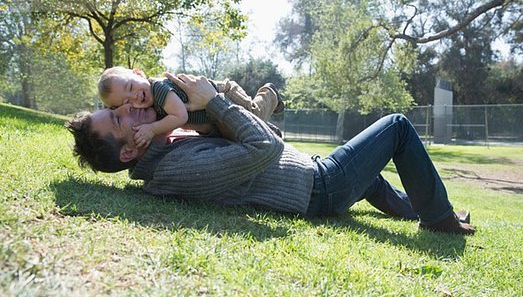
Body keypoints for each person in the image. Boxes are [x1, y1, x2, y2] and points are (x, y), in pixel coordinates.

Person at [66, 73, 475, 235]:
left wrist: (210, 100)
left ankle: (430, 211)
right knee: (397, 127)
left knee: (370, 178)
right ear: (125, 155)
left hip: (313, 175)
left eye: (118, 108)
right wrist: (216, 102)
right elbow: (265, 147)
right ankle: (439, 221)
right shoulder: (174, 170)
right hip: (318, 189)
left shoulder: (167, 140)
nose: (130, 109)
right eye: (119, 120)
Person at [98, 66, 284, 147]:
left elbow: (180, 117)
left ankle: (270, 93)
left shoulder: (159, 89)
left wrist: (152, 129)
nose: (135, 97)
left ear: (139, 73)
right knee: (238, 134)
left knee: (253, 114)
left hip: (224, 95)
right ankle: (271, 131)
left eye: (131, 87)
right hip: (215, 118)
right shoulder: (154, 106)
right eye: (127, 102)